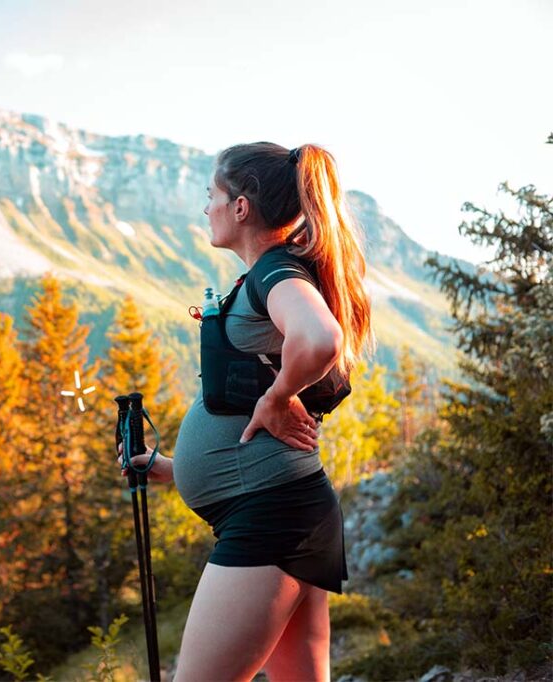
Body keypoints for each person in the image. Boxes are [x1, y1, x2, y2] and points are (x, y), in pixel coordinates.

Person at [118, 142, 375, 681]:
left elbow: (320, 338)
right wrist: (175, 468)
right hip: (287, 509)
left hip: (269, 519)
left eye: (211, 195)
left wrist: (276, 398)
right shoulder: (270, 273)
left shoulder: (275, 273)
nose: (204, 207)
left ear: (240, 208)